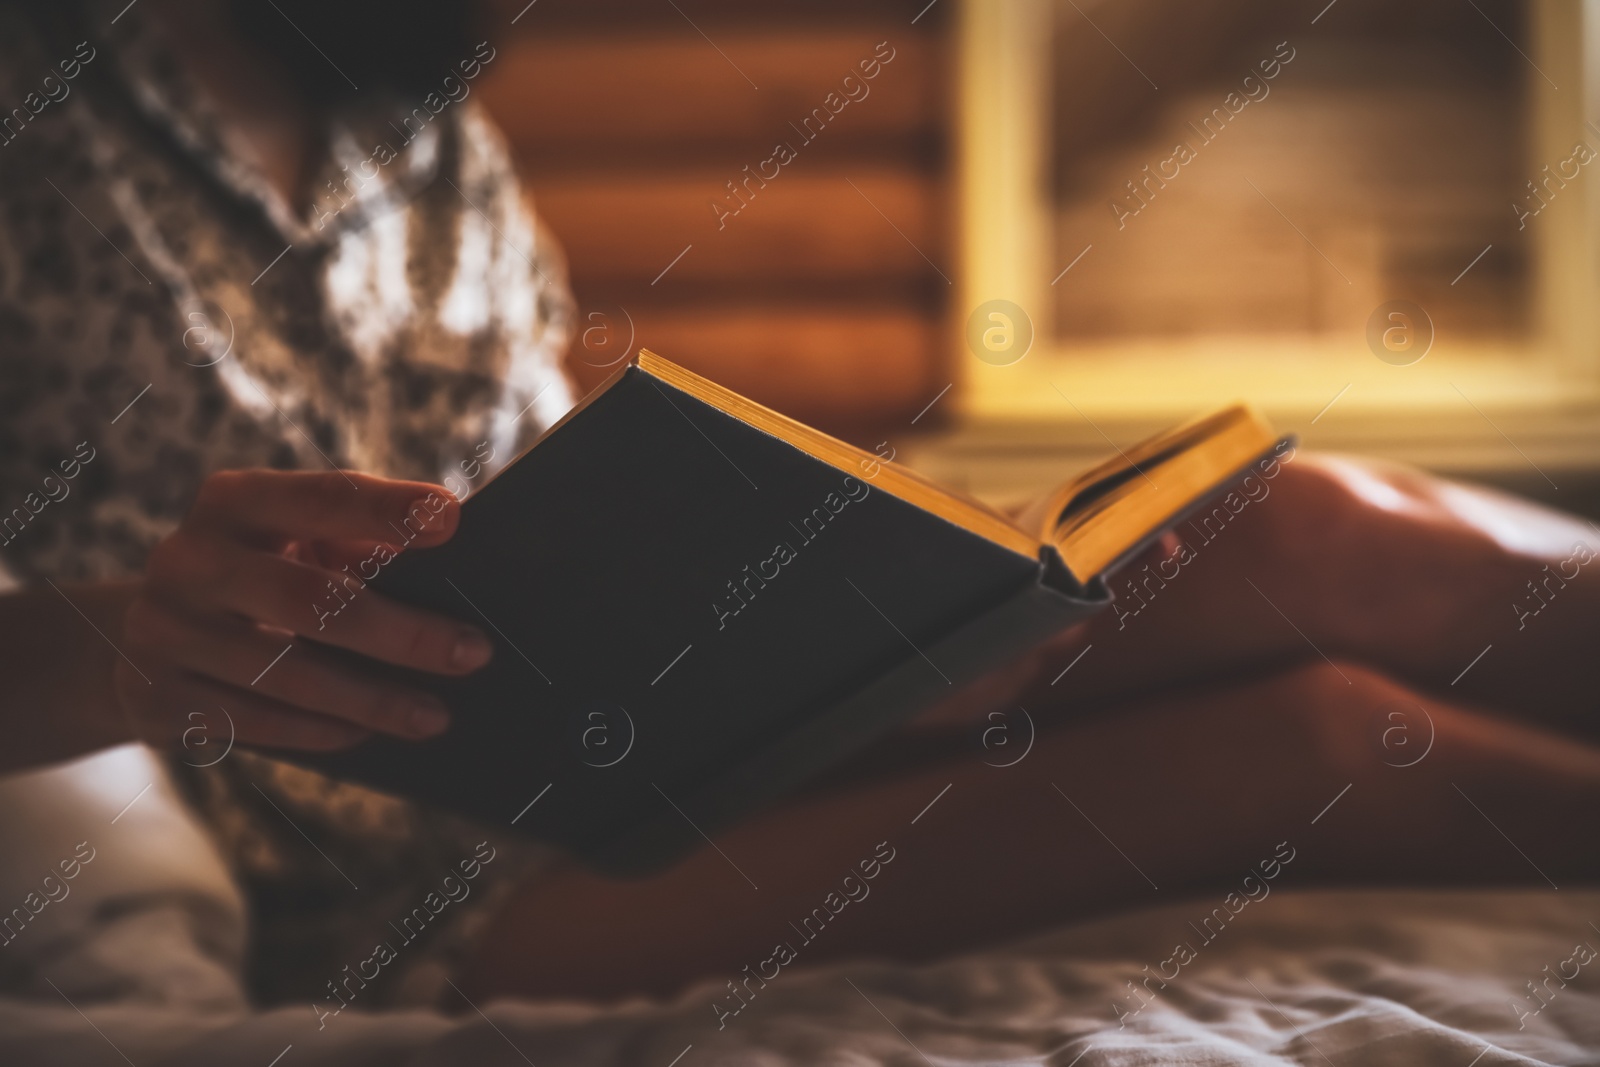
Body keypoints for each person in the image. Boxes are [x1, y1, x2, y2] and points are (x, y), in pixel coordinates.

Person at [1, 0, 1597, 1023]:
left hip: (654, 744)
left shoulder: (428, 142)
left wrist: (899, 643)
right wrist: (122, 650)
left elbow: (536, 517)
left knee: (1313, 528)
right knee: (1318, 749)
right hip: (415, 897)